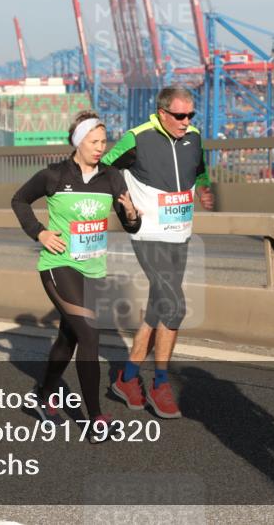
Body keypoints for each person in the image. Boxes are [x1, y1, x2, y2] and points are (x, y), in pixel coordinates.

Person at [11, 111, 141, 440]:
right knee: (90, 334)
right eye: (94, 142)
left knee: (69, 337)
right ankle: (94, 418)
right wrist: (39, 233)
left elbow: (131, 225)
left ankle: (42, 396)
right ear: (78, 142)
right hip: (59, 265)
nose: (101, 147)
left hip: (93, 269)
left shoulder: (112, 178)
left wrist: (130, 215)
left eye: (103, 141)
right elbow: (20, 200)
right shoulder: (54, 175)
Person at [102, 86, 214, 419]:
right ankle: (160, 384)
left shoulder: (193, 137)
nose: (186, 121)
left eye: (191, 115)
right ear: (162, 112)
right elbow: (104, 169)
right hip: (148, 234)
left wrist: (204, 188)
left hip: (180, 234)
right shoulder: (137, 138)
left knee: (158, 306)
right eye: (180, 115)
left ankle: (127, 377)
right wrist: (127, 209)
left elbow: (199, 168)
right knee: (175, 307)